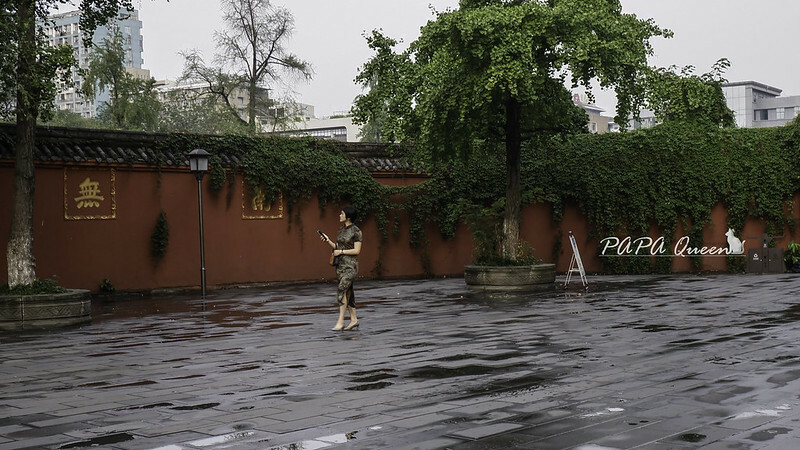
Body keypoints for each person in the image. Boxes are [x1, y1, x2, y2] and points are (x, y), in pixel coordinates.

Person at [320, 205, 362, 331]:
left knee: (341, 290)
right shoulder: (341, 230)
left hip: (351, 266)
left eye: (342, 213)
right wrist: (328, 241)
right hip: (340, 266)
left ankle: (341, 321)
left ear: (348, 216)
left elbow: (357, 250)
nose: (340, 215)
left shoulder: (356, 231)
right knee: (349, 292)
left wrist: (342, 251)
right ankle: (354, 320)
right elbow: (337, 247)